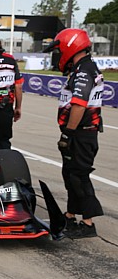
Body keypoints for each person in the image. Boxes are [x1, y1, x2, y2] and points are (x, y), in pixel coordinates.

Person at [44, 28, 104, 239]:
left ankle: (88, 223)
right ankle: (70, 215)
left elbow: (79, 105)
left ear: (70, 47)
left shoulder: (84, 71)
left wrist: (68, 133)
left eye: (59, 51)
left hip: (81, 133)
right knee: (70, 174)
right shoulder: (84, 68)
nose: (58, 56)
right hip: (80, 132)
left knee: (79, 175)